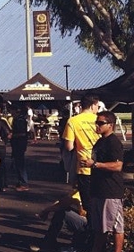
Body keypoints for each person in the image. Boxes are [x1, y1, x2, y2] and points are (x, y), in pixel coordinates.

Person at [82, 111, 124, 252]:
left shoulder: (114, 142)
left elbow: (118, 165)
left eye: (101, 123)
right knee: (100, 227)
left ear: (110, 125)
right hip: (97, 190)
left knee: (116, 226)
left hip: (111, 191)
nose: (97, 125)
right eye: (97, 122)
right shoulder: (100, 141)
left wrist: (95, 164)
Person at [63, 95, 100, 222]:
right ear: (92, 105)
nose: (98, 109)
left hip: (83, 167)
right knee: (100, 202)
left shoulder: (73, 121)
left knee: (87, 203)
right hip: (100, 165)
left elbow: (69, 146)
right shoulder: (100, 120)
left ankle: (90, 231)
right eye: (97, 106)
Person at [11, 105, 30, 191]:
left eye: (12, 111)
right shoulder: (19, 119)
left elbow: (23, 133)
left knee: (20, 164)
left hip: (19, 144)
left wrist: (12, 135)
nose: (11, 113)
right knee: (18, 164)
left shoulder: (20, 120)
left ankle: (24, 183)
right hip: (18, 144)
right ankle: (20, 182)